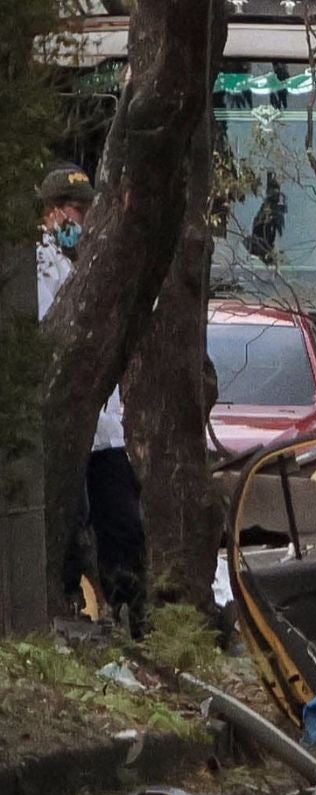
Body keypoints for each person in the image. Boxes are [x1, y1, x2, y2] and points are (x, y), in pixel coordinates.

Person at [37, 165, 149, 638]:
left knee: (122, 523)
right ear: (50, 212)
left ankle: (130, 612)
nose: (80, 221)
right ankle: (73, 608)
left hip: (104, 430)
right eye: (74, 211)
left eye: (86, 212)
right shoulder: (37, 268)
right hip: (66, 424)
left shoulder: (82, 263)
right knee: (72, 523)